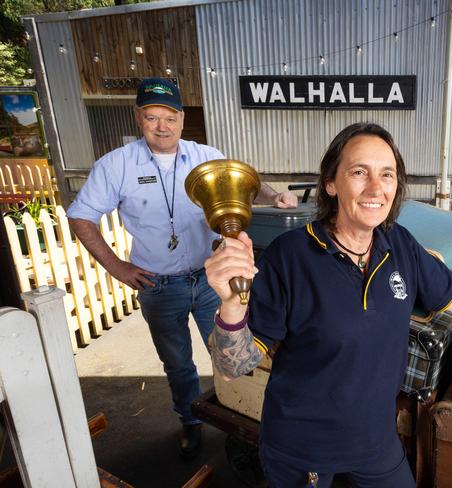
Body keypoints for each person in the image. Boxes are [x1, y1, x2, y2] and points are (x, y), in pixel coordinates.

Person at [204, 122, 452, 487]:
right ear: (331, 184)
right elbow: (232, 368)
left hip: (376, 441)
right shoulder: (289, 257)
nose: (376, 187)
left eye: (387, 174)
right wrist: (230, 305)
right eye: (359, 172)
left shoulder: (398, 243)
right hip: (303, 448)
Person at [66, 77, 297, 458]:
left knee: (232, 358)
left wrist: (276, 195)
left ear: (181, 117)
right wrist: (117, 267)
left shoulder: (206, 155)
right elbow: (81, 217)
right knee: (177, 363)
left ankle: (236, 420)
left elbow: (246, 184)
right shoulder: (116, 165)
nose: (162, 126)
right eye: (152, 117)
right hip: (157, 284)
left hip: (210, 281)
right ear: (139, 118)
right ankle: (190, 421)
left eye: (169, 117)